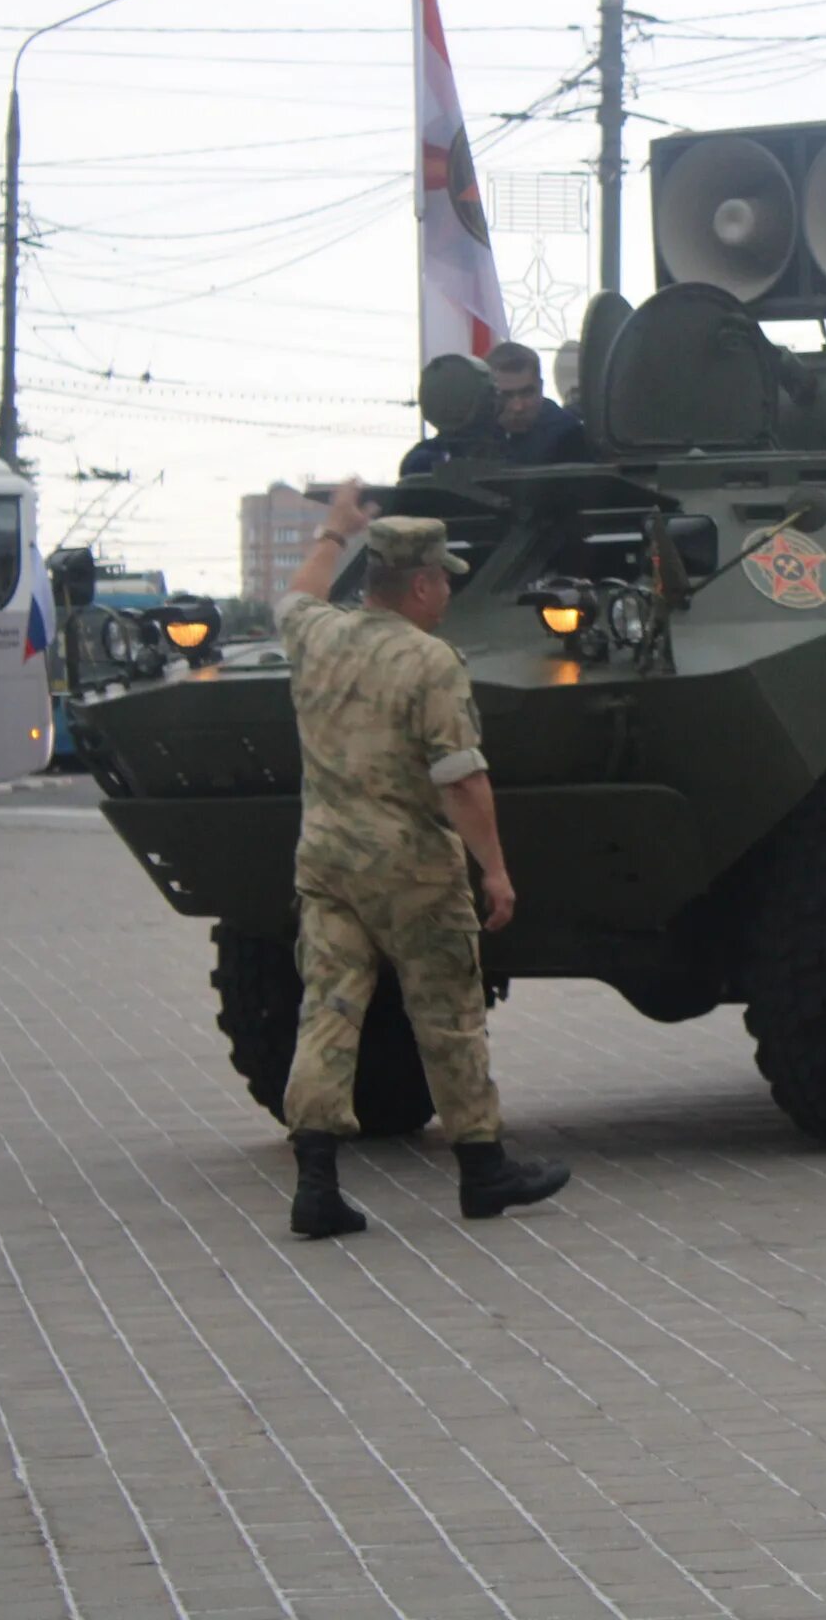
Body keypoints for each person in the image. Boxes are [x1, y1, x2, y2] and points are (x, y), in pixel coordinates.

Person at [274, 480, 568, 1237]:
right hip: (411, 870)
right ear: (423, 584)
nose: (446, 596)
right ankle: (482, 1168)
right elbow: (461, 777)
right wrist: (495, 869)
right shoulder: (430, 660)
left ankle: (316, 1183)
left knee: (329, 1013)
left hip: (327, 860)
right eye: (443, 583)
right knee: (448, 1016)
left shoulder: (318, 635)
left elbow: (297, 598)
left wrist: (334, 532)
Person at [487, 339, 593, 463]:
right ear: (488, 394)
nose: (518, 407)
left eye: (527, 393)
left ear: (541, 387)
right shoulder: (474, 432)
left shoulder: (567, 436)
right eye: (506, 396)